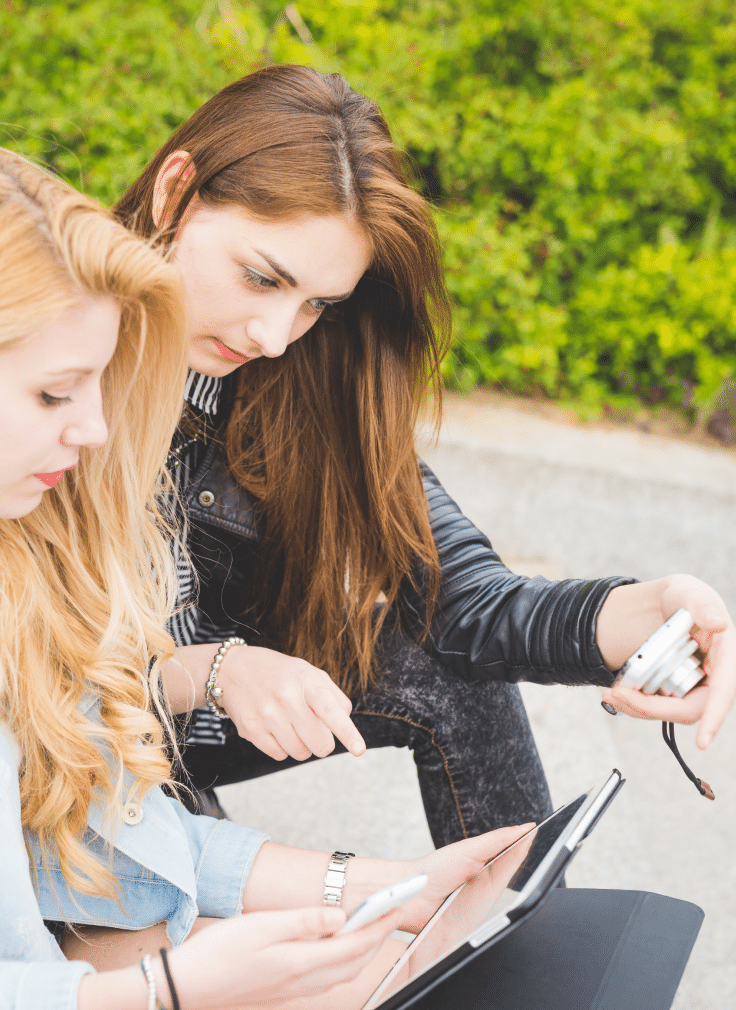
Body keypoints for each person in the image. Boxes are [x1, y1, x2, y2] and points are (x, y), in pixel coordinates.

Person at [0, 145, 525, 1010]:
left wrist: (381, 887)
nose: (92, 431)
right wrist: (171, 991)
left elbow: (111, 840)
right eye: (55, 395)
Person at [112, 64, 736, 843]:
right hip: (53, 759)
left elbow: (467, 601)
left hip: (178, 742)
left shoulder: (290, 378)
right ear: (176, 191)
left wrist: (655, 607)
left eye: (316, 304)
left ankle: (515, 946)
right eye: (261, 276)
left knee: (452, 673)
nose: (272, 336)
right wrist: (215, 670)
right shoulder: (40, 364)